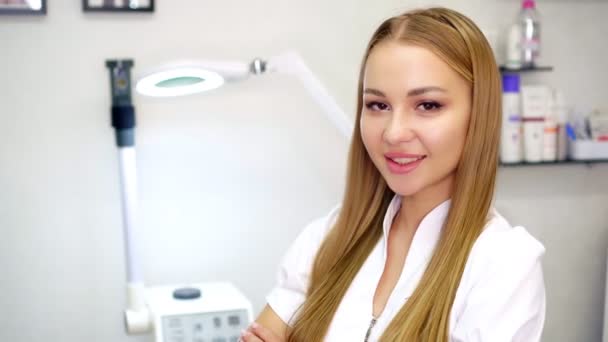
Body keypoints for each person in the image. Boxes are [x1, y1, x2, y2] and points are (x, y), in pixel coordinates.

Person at [241, 7, 546, 342]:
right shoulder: (328, 238)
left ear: (479, 115)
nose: (394, 133)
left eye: (428, 105)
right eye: (378, 106)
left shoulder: (503, 264)